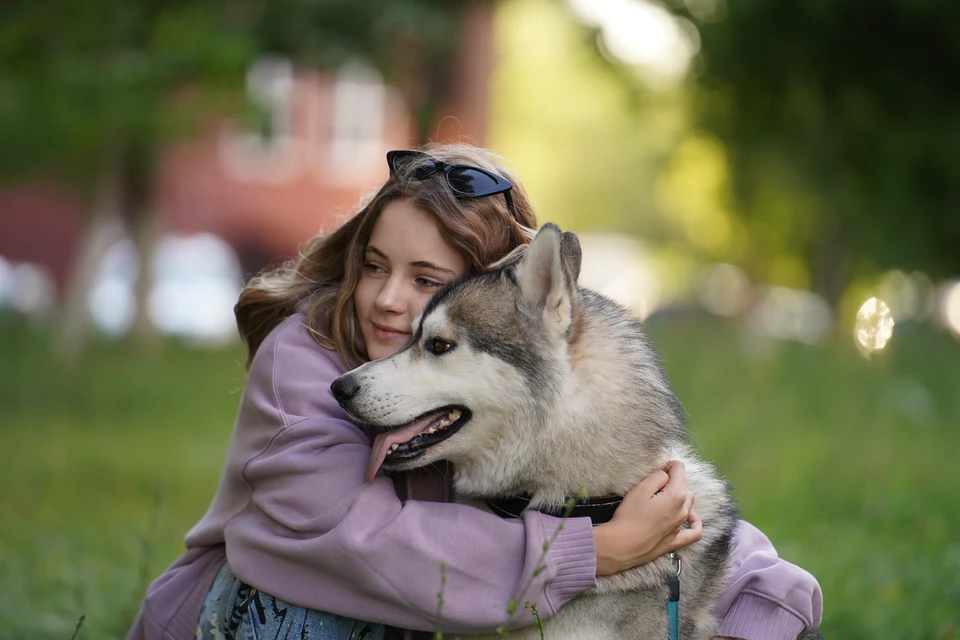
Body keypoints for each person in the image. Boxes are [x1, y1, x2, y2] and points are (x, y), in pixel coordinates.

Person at [127, 143, 822, 640]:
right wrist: (598, 552)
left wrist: (765, 612)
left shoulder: (500, 416)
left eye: (427, 282)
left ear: (487, 295)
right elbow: (362, 545)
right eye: (374, 266)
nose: (388, 300)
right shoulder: (306, 362)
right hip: (263, 617)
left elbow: (696, 524)